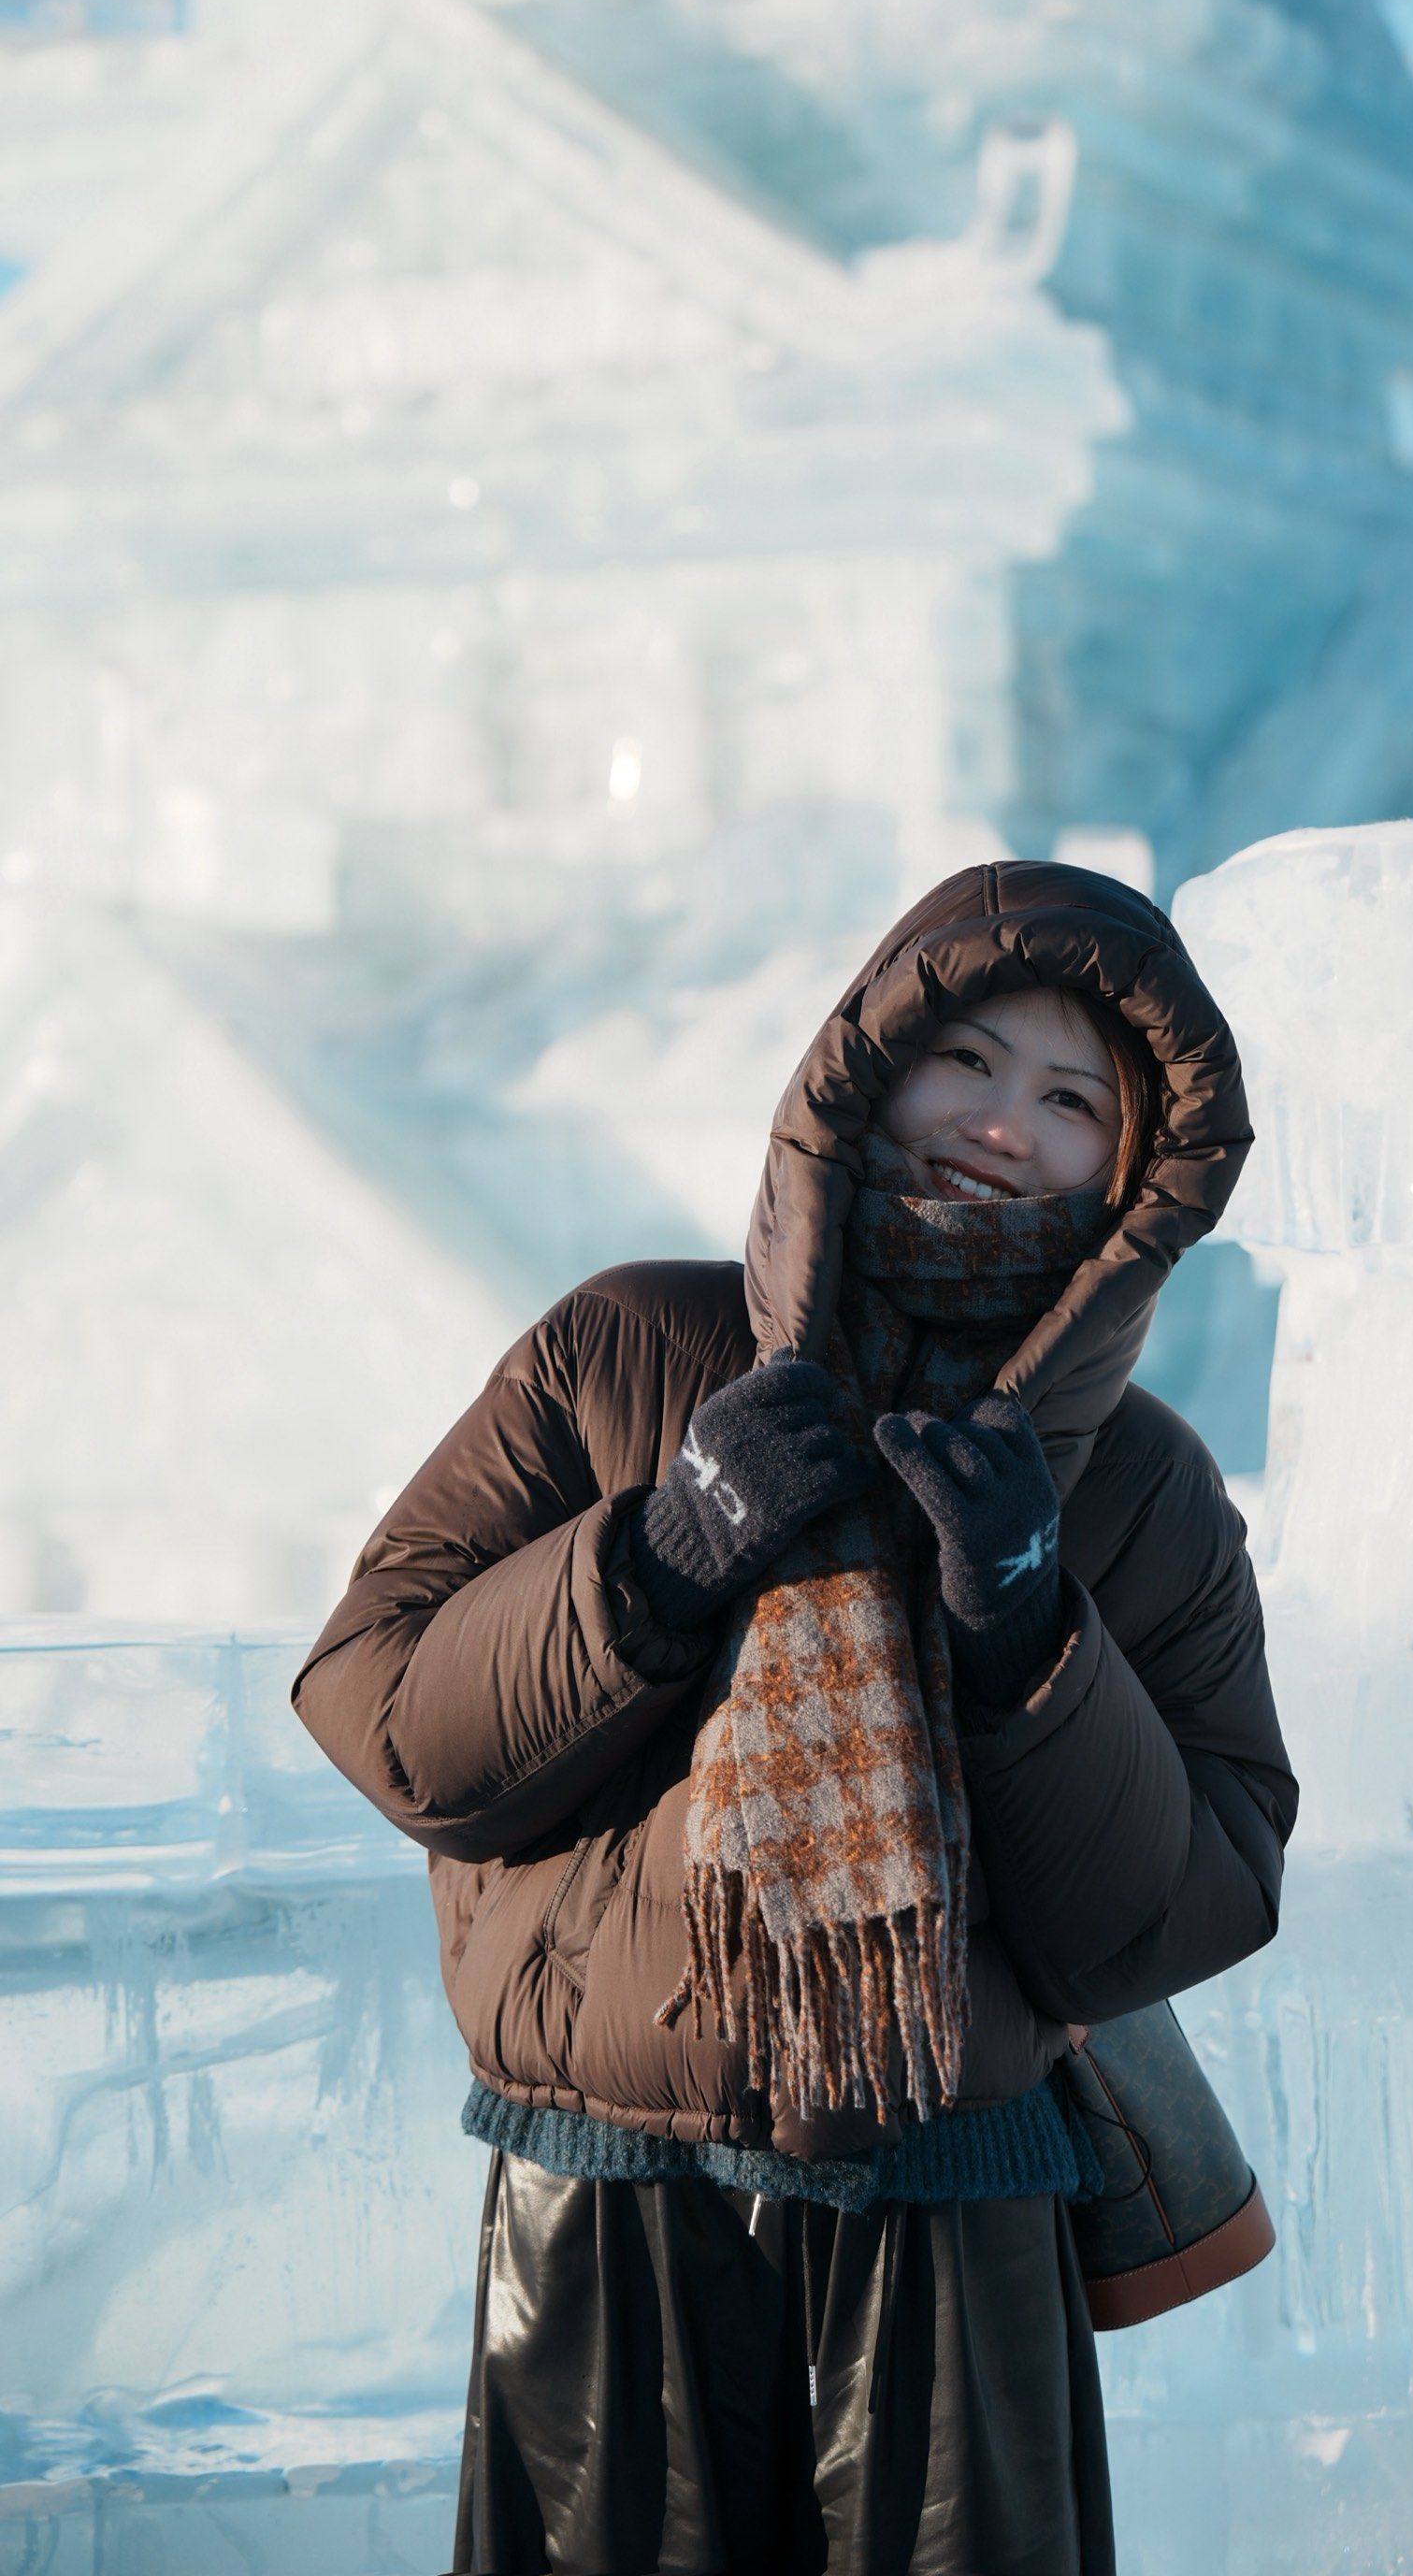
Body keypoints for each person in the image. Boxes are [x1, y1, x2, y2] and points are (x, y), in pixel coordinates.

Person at [291, 859, 1296, 2576]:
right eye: (966, 1061)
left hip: (960, 2198)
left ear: (1136, 1176)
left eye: (1071, 1101)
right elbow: (382, 1712)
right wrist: (654, 1555)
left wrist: (1029, 1630)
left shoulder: (1144, 1490)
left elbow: (1201, 1891)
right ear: (866, 1067)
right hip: (606, 2184)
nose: (1004, 1124)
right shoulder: (624, 1346)